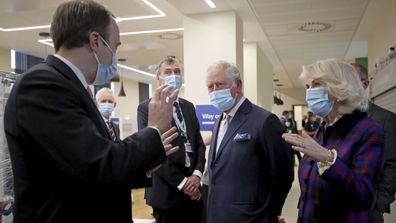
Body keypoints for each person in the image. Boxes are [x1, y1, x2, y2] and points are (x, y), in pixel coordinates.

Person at [3, 1, 179, 223]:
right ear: (96, 41)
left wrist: (148, 159)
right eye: (115, 47)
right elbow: (99, 165)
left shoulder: (72, 88)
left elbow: (92, 167)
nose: (115, 56)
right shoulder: (41, 85)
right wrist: (153, 129)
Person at [283, 59, 385, 223]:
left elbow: (363, 195)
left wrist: (328, 158)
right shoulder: (323, 129)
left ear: (340, 88)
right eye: (307, 87)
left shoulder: (368, 130)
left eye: (316, 84)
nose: (309, 92)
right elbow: (310, 193)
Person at [205, 61, 293, 223]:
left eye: (220, 84)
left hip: (251, 218)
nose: (214, 91)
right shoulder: (219, 121)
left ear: (237, 84)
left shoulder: (265, 121)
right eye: (210, 87)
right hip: (217, 214)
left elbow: (283, 175)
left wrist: (268, 215)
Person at [137, 56, 206, 223]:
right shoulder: (147, 108)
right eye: (168, 72)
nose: (173, 75)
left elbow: (199, 145)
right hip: (166, 193)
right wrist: (184, 184)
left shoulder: (188, 107)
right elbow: (152, 152)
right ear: (158, 78)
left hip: (194, 191)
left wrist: (196, 176)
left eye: (177, 72)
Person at [352, 63, 396, 223]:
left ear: (365, 84)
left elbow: (392, 165)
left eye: (350, 80)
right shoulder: (336, 118)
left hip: (369, 210)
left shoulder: (385, 119)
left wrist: (380, 205)